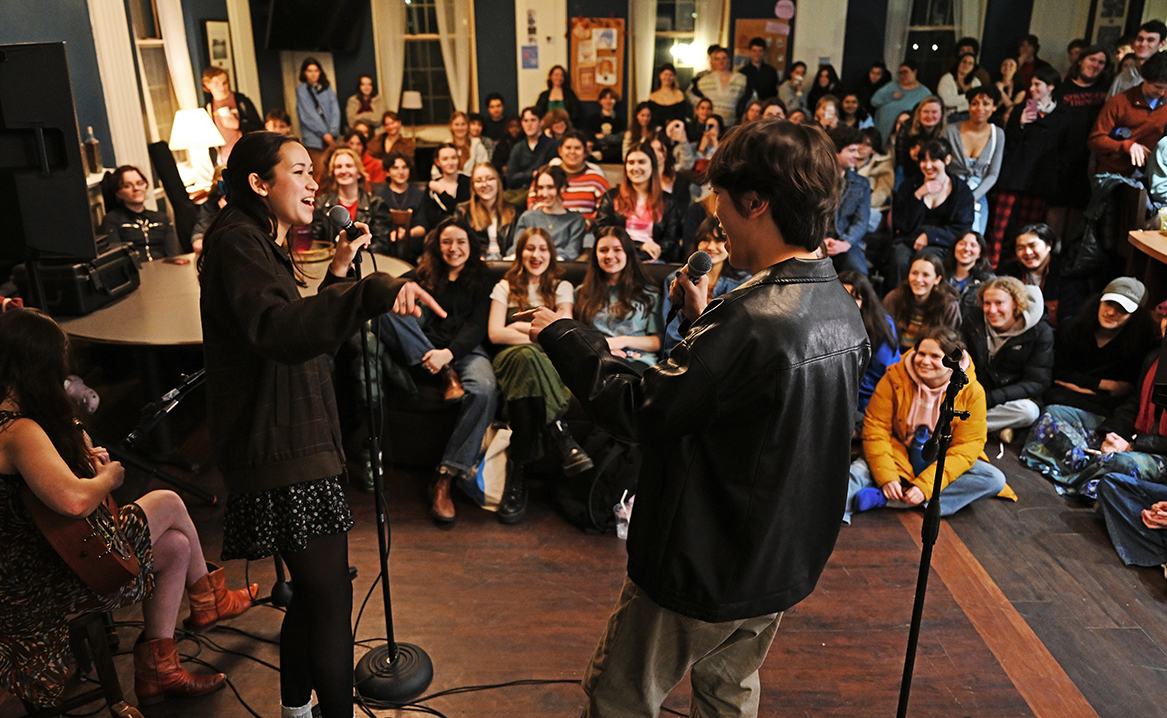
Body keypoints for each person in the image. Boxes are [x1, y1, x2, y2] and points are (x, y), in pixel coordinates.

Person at [523, 117, 869, 717]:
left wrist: (566, 336)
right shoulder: (841, 306)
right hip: (778, 561)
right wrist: (702, 318)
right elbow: (740, 402)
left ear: (756, 201)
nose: (718, 222)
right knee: (728, 691)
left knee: (619, 696)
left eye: (723, 206)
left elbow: (640, 411)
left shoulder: (752, 318)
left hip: (703, 563)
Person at [197, 130, 443, 718]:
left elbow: (299, 336)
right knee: (331, 601)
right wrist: (371, 291)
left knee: (313, 597)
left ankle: (295, 710)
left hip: (295, 444)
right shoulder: (238, 243)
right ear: (258, 183)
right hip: (283, 452)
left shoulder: (258, 241)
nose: (315, 184)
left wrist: (338, 273)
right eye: (301, 172)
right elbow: (278, 332)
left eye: (315, 173)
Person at [0, 308, 255, 708]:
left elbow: (49, 487)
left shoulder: (14, 420)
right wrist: (107, 478)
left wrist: (84, 458)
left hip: (40, 563)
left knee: (176, 548)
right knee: (169, 501)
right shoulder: (19, 430)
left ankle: (159, 671)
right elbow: (73, 500)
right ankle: (210, 598)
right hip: (41, 584)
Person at [375, 216, 497, 521]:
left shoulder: (485, 278)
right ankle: (446, 377)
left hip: (464, 352)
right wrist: (397, 288)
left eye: (460, 242)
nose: (453, 248)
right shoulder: (424, 273)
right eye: (446, 242)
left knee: (484, 388)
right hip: (421, 355)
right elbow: (391, 290)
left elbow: (477, 327)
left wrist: (448, 354)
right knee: (382, 311)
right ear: (436, 245)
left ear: (471, 245)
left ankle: (444, 480)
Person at [846, 327, 1008, 522]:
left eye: (935, 356)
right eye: (921, 353)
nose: (924, 361)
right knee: (854, 476)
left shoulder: (972, 392)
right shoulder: (894, 377)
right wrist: (887, 477)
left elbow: (967, 447)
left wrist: (925, 487)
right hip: (897, 452)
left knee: (993, 479)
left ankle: (888, 500)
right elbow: (875, 428)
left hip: (939, 459)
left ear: (952, 362)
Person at [487, 227, 593, 523]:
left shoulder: (562, 287)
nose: (536, 255)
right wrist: (539, 334)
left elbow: (565, 333)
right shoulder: (504, 286)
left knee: (530, 359)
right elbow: (495, 334)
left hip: (548, 364)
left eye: (542, 249)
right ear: (520, 253)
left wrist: (518, 329)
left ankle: (516, 472)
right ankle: (561, 435)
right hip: (508, 360)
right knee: (526, 355)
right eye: (530, 249)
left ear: (551, 254)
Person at [1024, 290, 1164, 499]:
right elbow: (1134, 404)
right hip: (1130, 431)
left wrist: (1131, 444)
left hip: (1154, 448)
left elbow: (1124, 393)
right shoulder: (1156, 356)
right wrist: (1112, 434)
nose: (1111, 312)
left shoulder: (1142, 347)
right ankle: (1086, 467)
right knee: (1054, 413)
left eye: (1121, 310)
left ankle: (1081, 478)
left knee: (1121, 463)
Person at [988, 66, 1071, 268]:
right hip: (1015, 174)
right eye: (1031, 84)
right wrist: (1020, 123)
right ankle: (991, 264)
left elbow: (1065, 147)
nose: (1032, 88)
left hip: (1040, 178)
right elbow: (1009, 142)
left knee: (1028, 227)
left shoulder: (1062, 113)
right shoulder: (1023, 107)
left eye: (1037, 84)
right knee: (999, 224)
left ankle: (1020, 266)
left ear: (1050, 87)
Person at [962, 276, 1053, 442]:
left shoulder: (1040, 332)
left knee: (1028, 412)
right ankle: (994, 428)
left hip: (1009, 398)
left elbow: (1037, 381)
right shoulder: (973, 320)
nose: (992, 310)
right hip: (975, 391)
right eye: (987, 303)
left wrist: (990, 398)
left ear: (1016, 304)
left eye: (999, 303)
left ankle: (961, 426)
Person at [888, 139, 975, 287]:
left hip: (942, 242)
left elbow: (962, 229)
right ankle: (898, 303)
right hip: (909, 238)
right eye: (923, 160)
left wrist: (930, 236)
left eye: (934, 160)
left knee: (926, 259)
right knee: (899, 258)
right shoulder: (909, 186)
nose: (927, 166)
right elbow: (901, 224)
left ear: (947, 160)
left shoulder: (961, 191)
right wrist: (918, 195)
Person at [660, 216, 749, 358]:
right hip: (683, 355)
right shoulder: (675, 279)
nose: (711, 247)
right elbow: (672, 335)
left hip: (721, 357)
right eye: (705, 240)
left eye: (719, 240)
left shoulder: (744, 282)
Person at [574, 227, 662, 366]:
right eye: (603, 250)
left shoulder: (650, 293)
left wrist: (621, 341)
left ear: (628, 253)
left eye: (617, 249)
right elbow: (577, 337)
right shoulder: (581, 292)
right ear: (595, 255)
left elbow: (657, 341)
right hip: (597, 360)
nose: (609, 256)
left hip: (638, 361)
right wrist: (602, 348)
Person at [1052, 44, 1112, 240]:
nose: (1095, 65)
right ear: (1080, 61)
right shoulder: (1062, 86)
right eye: (1092, 59)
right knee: (1056, 204)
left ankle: (1067, 251)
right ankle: (1052, 248)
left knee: (1079, 207)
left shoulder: (1106, 90)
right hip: (1060, 156)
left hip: (1089, 158)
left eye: (1101, 62)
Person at [593, 146, 681, 263]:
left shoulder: (667, 200)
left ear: (652, 166)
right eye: (631, 163)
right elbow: (602, 231)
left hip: (655, 259)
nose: (635, 167)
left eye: (642, 162)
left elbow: (671, 239)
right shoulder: (611, 196)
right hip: (617, 257)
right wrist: (639, 246)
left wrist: (650, 252)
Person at [1088, 52, 1167, 178]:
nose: (1162, 92)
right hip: (1113, 174)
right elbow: (1095, 140)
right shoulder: (1119, 102)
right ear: (1145, 78)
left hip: (1150, 175)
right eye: (1158, 87)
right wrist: (1127, 146)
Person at [943, 85, 1005, 235]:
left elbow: (993, 174)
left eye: (986, 104)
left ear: (994, 107)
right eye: (974, 103)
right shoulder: (950, 131)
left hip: (978, 194)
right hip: (950, 191)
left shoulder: (998, 134)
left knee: (974, 239)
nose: (980, 108)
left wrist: (973, 197)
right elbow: (941, 166)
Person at [1002, 223, 1088, 327]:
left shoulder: (1066, 274)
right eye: (1020, 248)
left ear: (1049, 245)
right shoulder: (1006, 273)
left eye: (1032, 245)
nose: (1027, 252)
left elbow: (1070, 319)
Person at [839, 271, 899, 415]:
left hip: (867, 396)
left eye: (854, 298)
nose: (846, 304)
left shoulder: (881, 326)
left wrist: (843, 386)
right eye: (841, 297)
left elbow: (881, 374)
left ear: (865, 301)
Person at [310, 147, 389, 250]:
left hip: (365, 262)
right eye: (338, 167)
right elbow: (317, 242)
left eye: (349, 166)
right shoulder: (322, 202)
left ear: (359, 172)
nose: (343, 171)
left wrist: (352, 255)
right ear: (333, 172)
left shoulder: (376, 204)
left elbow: (381, 245)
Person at [883, 251, 962, 353]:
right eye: (914, 273)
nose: (919, 280)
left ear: (937, 279)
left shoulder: (949, 305)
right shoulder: (894, 298)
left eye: (926, 275)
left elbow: (949, 345)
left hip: (929, 358)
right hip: (895, 356)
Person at [526, 129, 611, 221]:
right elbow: (532, 202)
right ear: (560, 151)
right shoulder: (547, 174)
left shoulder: (596, 178)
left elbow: (605, 210)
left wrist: (587, 223)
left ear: (585, 152)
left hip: (584, 230)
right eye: (568, 148)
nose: (572, 152)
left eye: (577, 148)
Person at [100, 165, 182, 260]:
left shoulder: (162, 218)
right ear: (118, 193)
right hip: (134, 272)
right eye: (127, 186)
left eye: (140, 184)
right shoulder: (112, 220)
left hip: (165, 269)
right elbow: (117, 258)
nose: (136, 188)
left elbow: (174, 254)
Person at [513, 165, 587, 261]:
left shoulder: (576, 220)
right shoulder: (527, 217)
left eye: (550, 187)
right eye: (540, 188)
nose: (544, 194)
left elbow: (571, 253)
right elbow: (516, 248)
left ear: (562, 188)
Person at [825, 126, 871, 275]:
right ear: (835, 152)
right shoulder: (815, 179)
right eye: (851, 151)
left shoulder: (861, 183)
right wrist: (819, 242)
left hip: (846, 240)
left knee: (858, 273)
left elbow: (861, 221)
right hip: (817, 240)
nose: (857, 156)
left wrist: (845, 242)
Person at [202, 66, 262, 164]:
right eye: (216, 84)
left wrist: (239, 125)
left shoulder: (242, 101)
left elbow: (259, 128)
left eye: (225, 83)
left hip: (246, 154)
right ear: (207, 84)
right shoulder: (208, 107)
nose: (222, 87)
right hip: (222, 159)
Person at [457, 162, 517, 260]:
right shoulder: (463, 211)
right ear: (473, 186)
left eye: (490, 179)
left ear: (498, 182)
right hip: (477, 265)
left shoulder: (514, 211)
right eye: (479, 181)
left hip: (507, 265)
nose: (485, 184)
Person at [294, 58, 341, 179]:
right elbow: (308, 115)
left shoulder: (327, 88)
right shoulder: (302, 90)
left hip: (332, 137)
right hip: (315, 141)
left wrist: (332, 131)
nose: (313, 74)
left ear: (320, 72)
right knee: (320, 174)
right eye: (309, 71)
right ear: (304, 73)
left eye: (316, 70)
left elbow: (335, 110)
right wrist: (324, 134)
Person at [377, 151, 429, 260]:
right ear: (387, 172)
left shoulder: (419, 194)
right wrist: (391, 234)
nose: (401, 172)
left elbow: (423, 226)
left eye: (405, 167)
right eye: (395, 168)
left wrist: (406, 233)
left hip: (414, 248)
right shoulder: (379, 196)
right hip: (387, 247)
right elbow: (378, 226)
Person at [871, 60, 932, 146]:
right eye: (900, 73)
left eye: (905, 72)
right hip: (882, 132)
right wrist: (890, 97)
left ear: (914, 72)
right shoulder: (891, 86)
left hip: (905, 135)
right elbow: (874, 101)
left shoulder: (924, 93)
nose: (902, 75)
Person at [505, 108, 559, 200]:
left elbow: (547, 174)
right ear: (522, 123)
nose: (529, 124)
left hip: (539, 190)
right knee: (497, 200)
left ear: (541, 122)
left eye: (533, 120)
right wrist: (532, 174)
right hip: (516, 190)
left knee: (511, 205)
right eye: (525, 121)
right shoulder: (518, 147)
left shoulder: (552, 146)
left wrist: (523, 175)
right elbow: (510, 178)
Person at [894, 96, 945, 185]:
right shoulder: (907, 127)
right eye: (926, 112)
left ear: (941, 114)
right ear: (919, 113)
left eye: (934, 112)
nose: (929, 116)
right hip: (908, 168)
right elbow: (900, 157)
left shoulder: (947, 131)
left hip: (934, 169)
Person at [1109, 20, 1167, 97]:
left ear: (1162, 44)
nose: (1143, 44)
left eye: (1150, 40)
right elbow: (1110, 104)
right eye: (1140, 39)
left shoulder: (1164, 75)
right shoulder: (1123, 76)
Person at [944, 231, 995, 318]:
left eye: (973, 245)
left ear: (980, 253)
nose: (967, 248)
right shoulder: (940, 274)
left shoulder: (988, 282)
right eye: (962, 244)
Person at [694, 46, 747, 127]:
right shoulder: (704, 81)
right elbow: (692, 96)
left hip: (732, 124)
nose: (721, 61)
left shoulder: (741, 79)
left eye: (724, 58)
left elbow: (748, 100)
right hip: (711, 123)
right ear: (713, 61)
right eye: (717, 59)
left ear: (729, 59)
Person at [425, 144, 471, 228]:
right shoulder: (432, 186)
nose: (450, 163)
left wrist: (442, 192)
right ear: (437, 162)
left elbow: (463, 213)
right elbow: (431, 218)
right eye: (445, 159)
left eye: (454, 158)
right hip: (439, 232)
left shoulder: (467, 182)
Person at [735, 38, 779, 116]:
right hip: (748, 111)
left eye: (760, 51)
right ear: (750, 52)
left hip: (766, 110)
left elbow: (774, 94)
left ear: (764, 52)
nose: (757, 54)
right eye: (754, 51)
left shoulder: (771, 71)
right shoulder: (742, 72)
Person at [649, 136, 691, 216]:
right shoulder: (642, 179)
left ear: (666, 153)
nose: (656, 154)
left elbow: (682, 209)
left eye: (660, 150)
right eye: (652, 150)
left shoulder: (680, 180)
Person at [441, 111, 490, 178]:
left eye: (463, 124)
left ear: (468, 126)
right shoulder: (445, 146)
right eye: (456, 125)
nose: (460, 128)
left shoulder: (477, 145)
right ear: (451, 126)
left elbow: (484, 168)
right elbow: (436, 172)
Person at [937, 54, 983, 120]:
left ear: (973, 67)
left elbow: (977, 103)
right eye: (964, 62)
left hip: (970, 115)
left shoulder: (976, 82)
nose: (966, 65)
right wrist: (968, 96)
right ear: (958, 63)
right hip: (949, 116)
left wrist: (957, 108)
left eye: (970, 63)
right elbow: (946, 102)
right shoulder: (947, 79)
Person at [587, 88, 626, 163]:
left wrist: (604, 137)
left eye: (611, 98)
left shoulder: (621, 119)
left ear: (615, 101)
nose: (608, 101)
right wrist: (611, 139)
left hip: (615, 153)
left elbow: (621, 138)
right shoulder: (593, 119)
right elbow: (591, 137)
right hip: (597, 149)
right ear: (600, 101)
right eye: (605, 98)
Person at [647, 63, 691, 129]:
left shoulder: (680, 95)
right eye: (665, 74)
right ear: (660, 76)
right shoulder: (653, 97)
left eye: (671, 75)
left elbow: (683, 115)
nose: (668, 77)